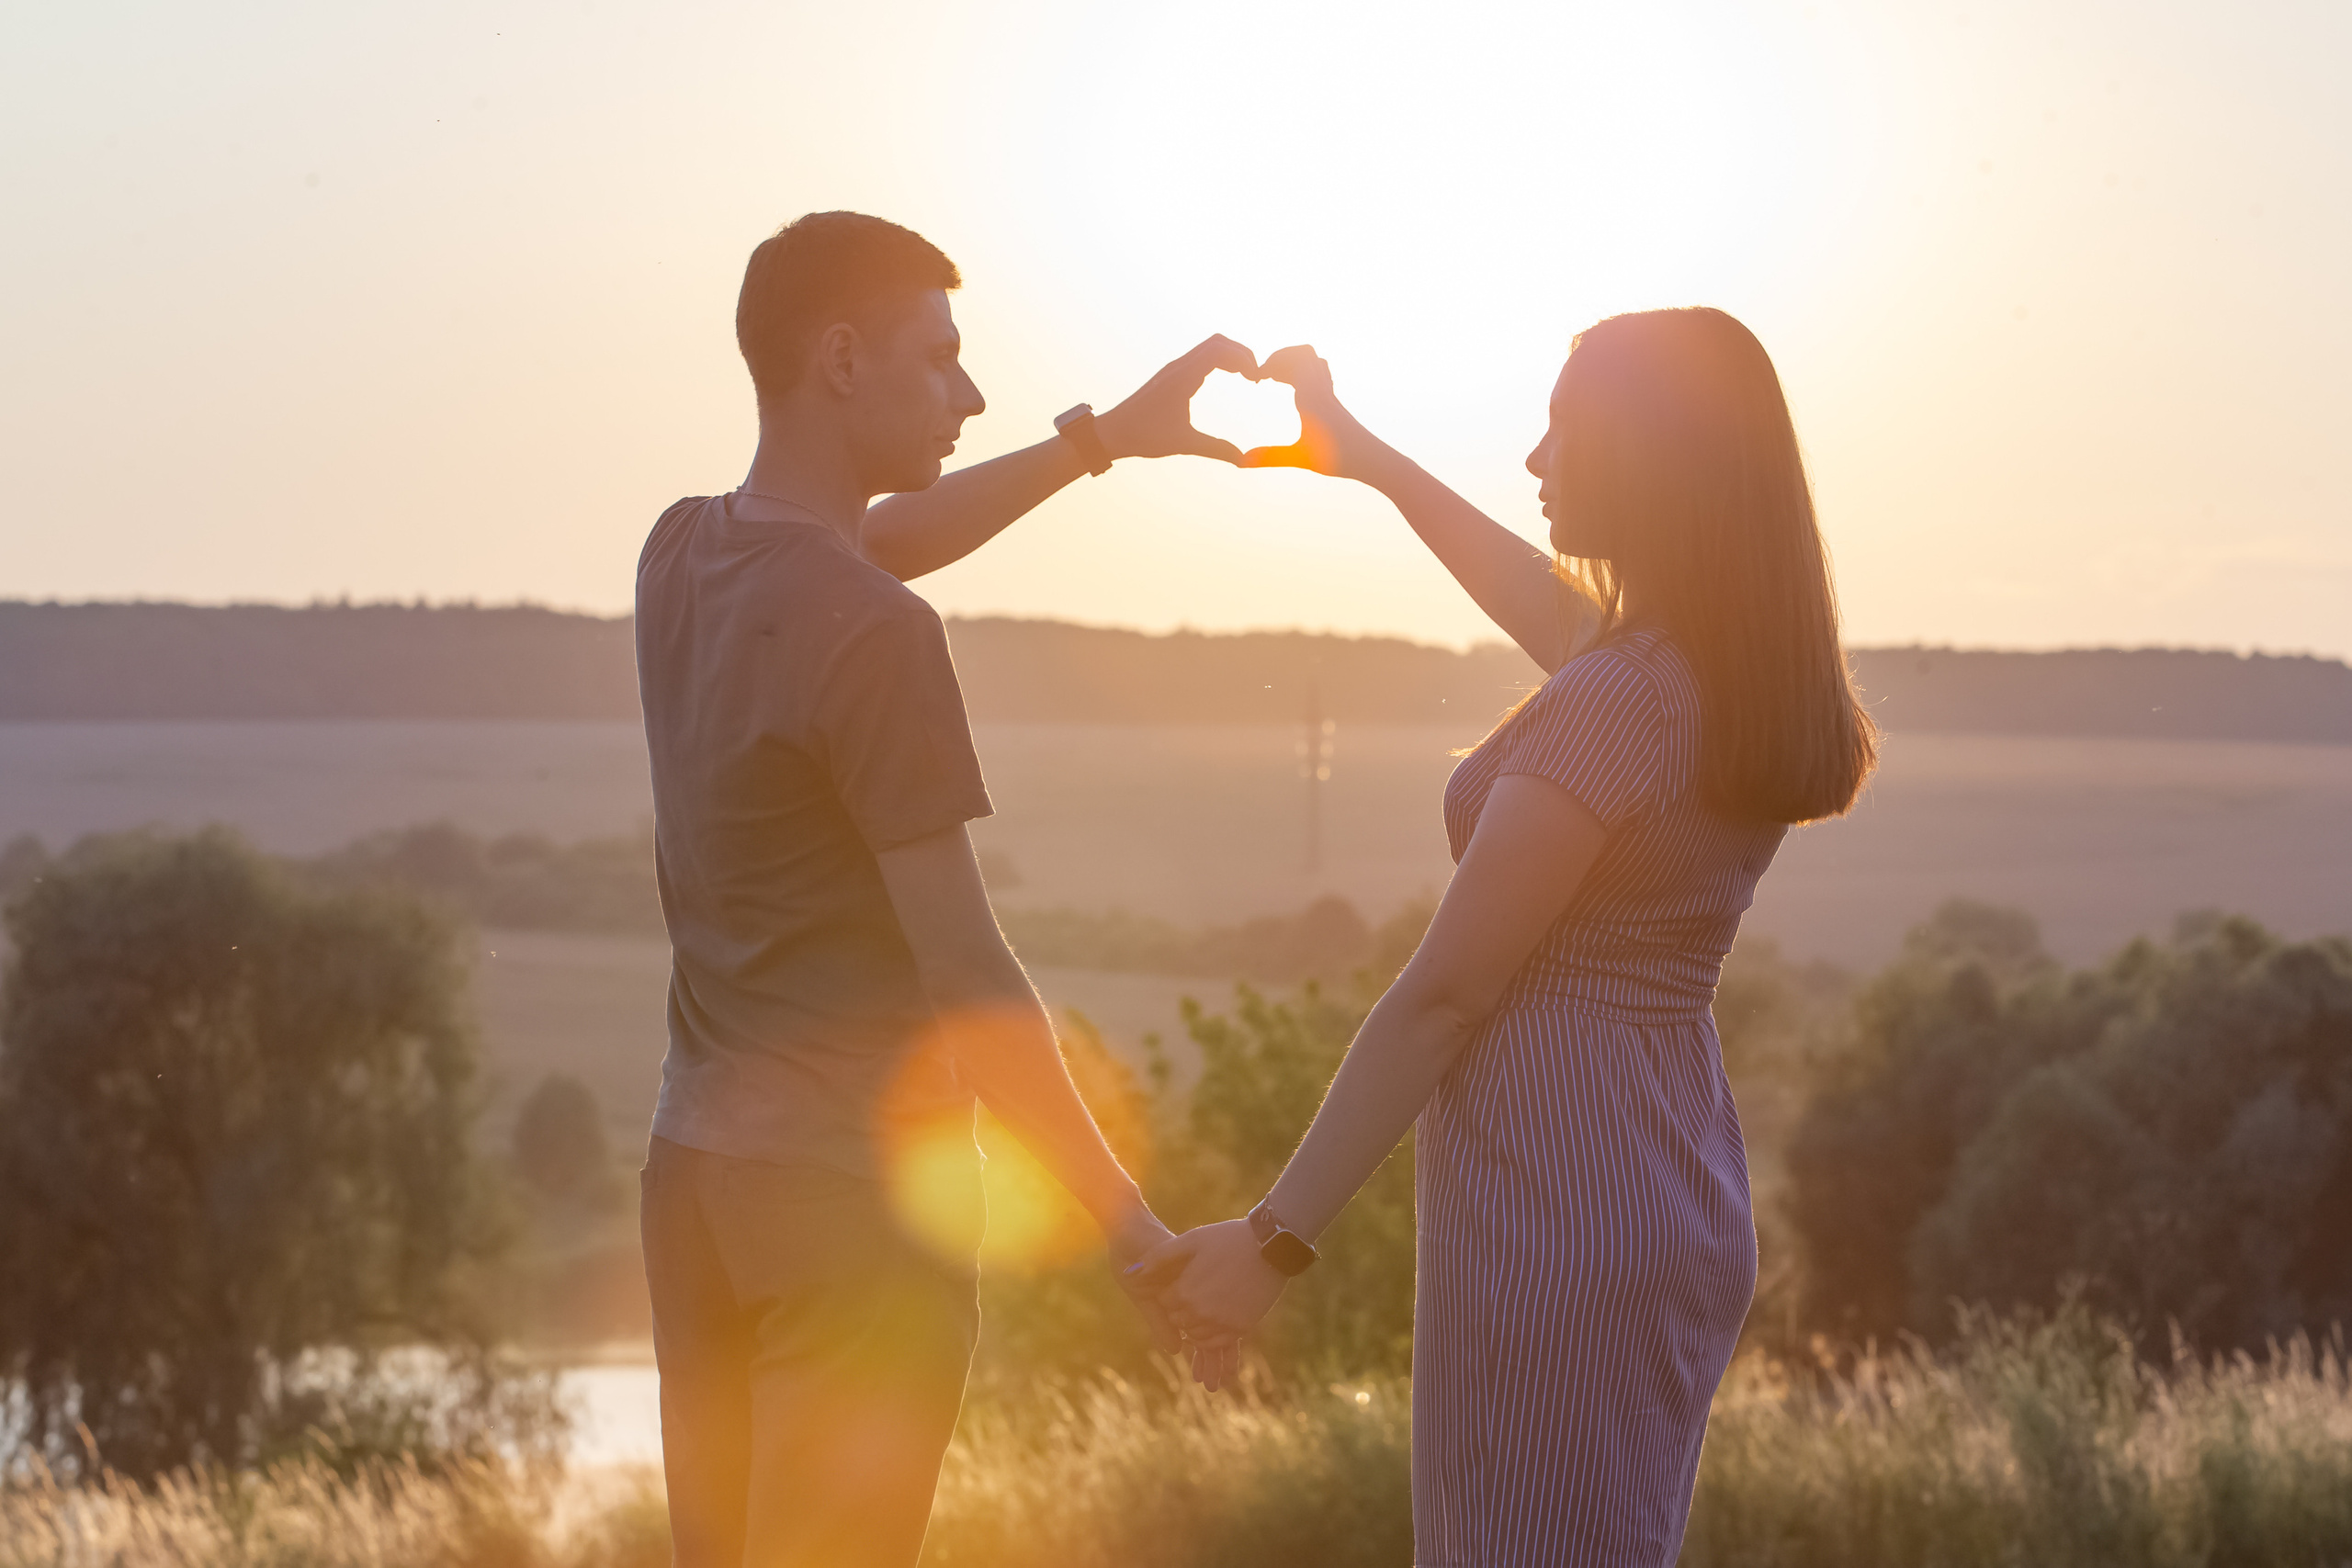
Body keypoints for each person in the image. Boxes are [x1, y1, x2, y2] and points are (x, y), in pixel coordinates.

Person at [1136, 310, 1879, 1566]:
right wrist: (1366, 458)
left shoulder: (1616, 703)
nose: (1535, 461)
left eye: (1564, 430)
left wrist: (1275, 1240)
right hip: (1665, 1189)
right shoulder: (1712, 681)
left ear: (1651, 464)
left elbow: (1444, 995)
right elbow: (1544, 610)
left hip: (1557, 1216)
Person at [634, 209, 1257, 1568]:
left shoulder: (684, 555)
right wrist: (1135, 1233)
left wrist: (1100, 441)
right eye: (943, 358)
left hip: (693, 1190)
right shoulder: (878, 634)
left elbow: (872, 543)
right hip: (843, 1221)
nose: (973, 393)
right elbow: (969, 980)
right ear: (842, 360)